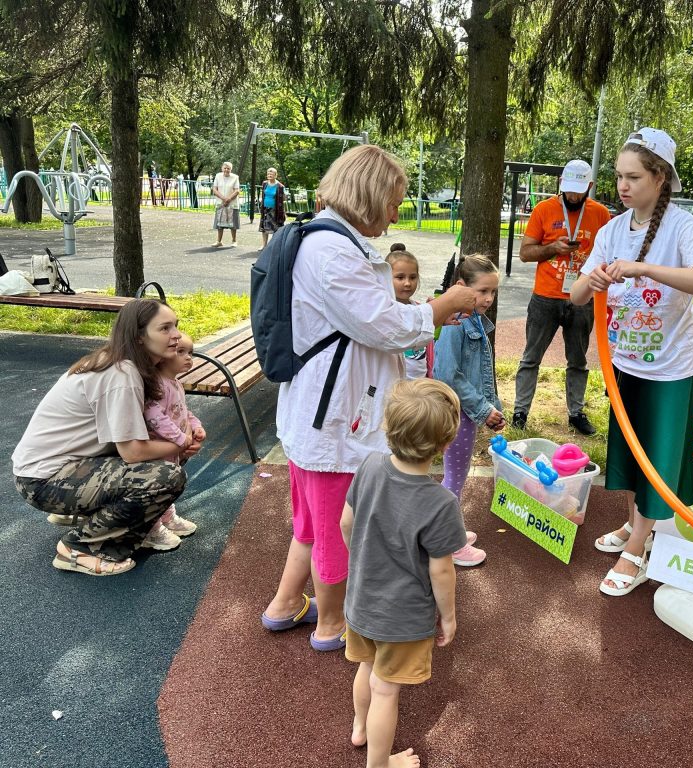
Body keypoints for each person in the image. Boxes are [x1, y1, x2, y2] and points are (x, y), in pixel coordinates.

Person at [259, 144, 476, 651]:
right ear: (370, 195)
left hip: (322, 412)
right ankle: (333, 625)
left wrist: (425, 312)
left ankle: (286, 603)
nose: (397, 213)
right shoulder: (331, 250)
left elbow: (367, 317)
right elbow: (378, 324)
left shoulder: (330, 241)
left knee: (311, 520)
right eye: (394, 201)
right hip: (334, 415)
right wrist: (439, 309)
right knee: (335, 525)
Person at [569, 128, 693, 597]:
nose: (623, 185)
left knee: (657, 457)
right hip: (625, 365)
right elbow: (575, 296)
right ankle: (636, 524)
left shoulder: (681, 226)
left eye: (633, 176)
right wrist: (591, 281)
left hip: (671, 367)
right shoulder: (613, 230)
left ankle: (636, 548)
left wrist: (645, 268)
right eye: (618, 176)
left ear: (660, 177)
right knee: (632, 454)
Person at [12, 299, 197, 576]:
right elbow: (133, 453)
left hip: (67, 466)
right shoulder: (121, 374)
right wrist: (182, 442)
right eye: (165, 328)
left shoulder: (128, 366)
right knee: (165, 476)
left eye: (176, 327)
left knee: (163, 454)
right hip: (43, 480)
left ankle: (111, 519)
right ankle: (80, 548)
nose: (176, 335)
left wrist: (186, 434)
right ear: (139, 336)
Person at [341, 378, 466, 768]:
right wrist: (448, 615)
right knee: (386, 689)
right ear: (444, 444)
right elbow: (442, 570)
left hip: (361, 601)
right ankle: (379, 765)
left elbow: (347, 522)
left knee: (366, 667)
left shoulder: (371, 466)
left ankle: (360, 727)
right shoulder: (440, 503)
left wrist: (361, 562)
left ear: (388, 427)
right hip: (403, 617)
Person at [512, 160, 611, 436]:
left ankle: (576, 413)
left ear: (589, 187)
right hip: (545, 296)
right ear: (561, 186)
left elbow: (610, 252)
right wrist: (552, 248)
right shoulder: (544, 210)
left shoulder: (601, 215)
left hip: (583, 298)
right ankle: (520, 412)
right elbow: (525, 253)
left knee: (578, 359)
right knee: (531, 357)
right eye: (569, 191)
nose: (573, 197)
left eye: (579, 192)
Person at [433, 254, 503, 567]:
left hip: (466, 410)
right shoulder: (456, 323)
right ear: (462, 286)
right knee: (454, 479)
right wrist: (481, 407)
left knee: (456, 476)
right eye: (483, 291)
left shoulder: (470, 317)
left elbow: (481, 373)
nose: (488, 298)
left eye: (493, 292)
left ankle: (451, 531)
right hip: (457, 412)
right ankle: (450, 544)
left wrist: (492, 408)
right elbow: (447, 374)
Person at [142, 333, 205, 551]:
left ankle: (167, 517)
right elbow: (154, 416)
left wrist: (196, 426)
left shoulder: (175, 383)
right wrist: (180, 439)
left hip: (173, 449)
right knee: (157, 488)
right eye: (181, 352)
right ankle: (152, 528)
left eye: (191, 353)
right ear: (164, 356)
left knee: (169, 485)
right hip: (158, 448)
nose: (188, 358)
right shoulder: (158, 385)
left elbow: (183, 412)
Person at [385, 243, 434, 379]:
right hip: (395, 388)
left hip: (420, 385)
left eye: (412, 277)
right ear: (386, 278)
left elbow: (429, 345)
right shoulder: (384, 311)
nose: (407, 283)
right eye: (400, 277)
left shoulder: (420, 309)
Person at [212, 161, 240, 247]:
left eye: (228, 168)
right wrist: (223, 198)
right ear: (222, 168)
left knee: (233, 223)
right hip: (221, 202)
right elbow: (214, 189)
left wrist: (228, 199)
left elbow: (237, 190)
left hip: (232, 203)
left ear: (231, 169)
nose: (226, 170)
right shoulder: (218, 176)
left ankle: (234, 241)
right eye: (225, 168)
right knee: (220, 223)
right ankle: (219, 241)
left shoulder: (235, 177)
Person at [259, 167, 286, 250]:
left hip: (275, 210)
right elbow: (262, 194)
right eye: (268, 174)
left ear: (275, 175)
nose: (269, 175)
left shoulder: (280, 186)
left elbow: (284, 198)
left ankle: (274, 245)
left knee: (275, 227)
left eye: (271, 174)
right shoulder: (265, 184)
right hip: (265, 209)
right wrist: (260, 200)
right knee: (264, 227)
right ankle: (264, 245)